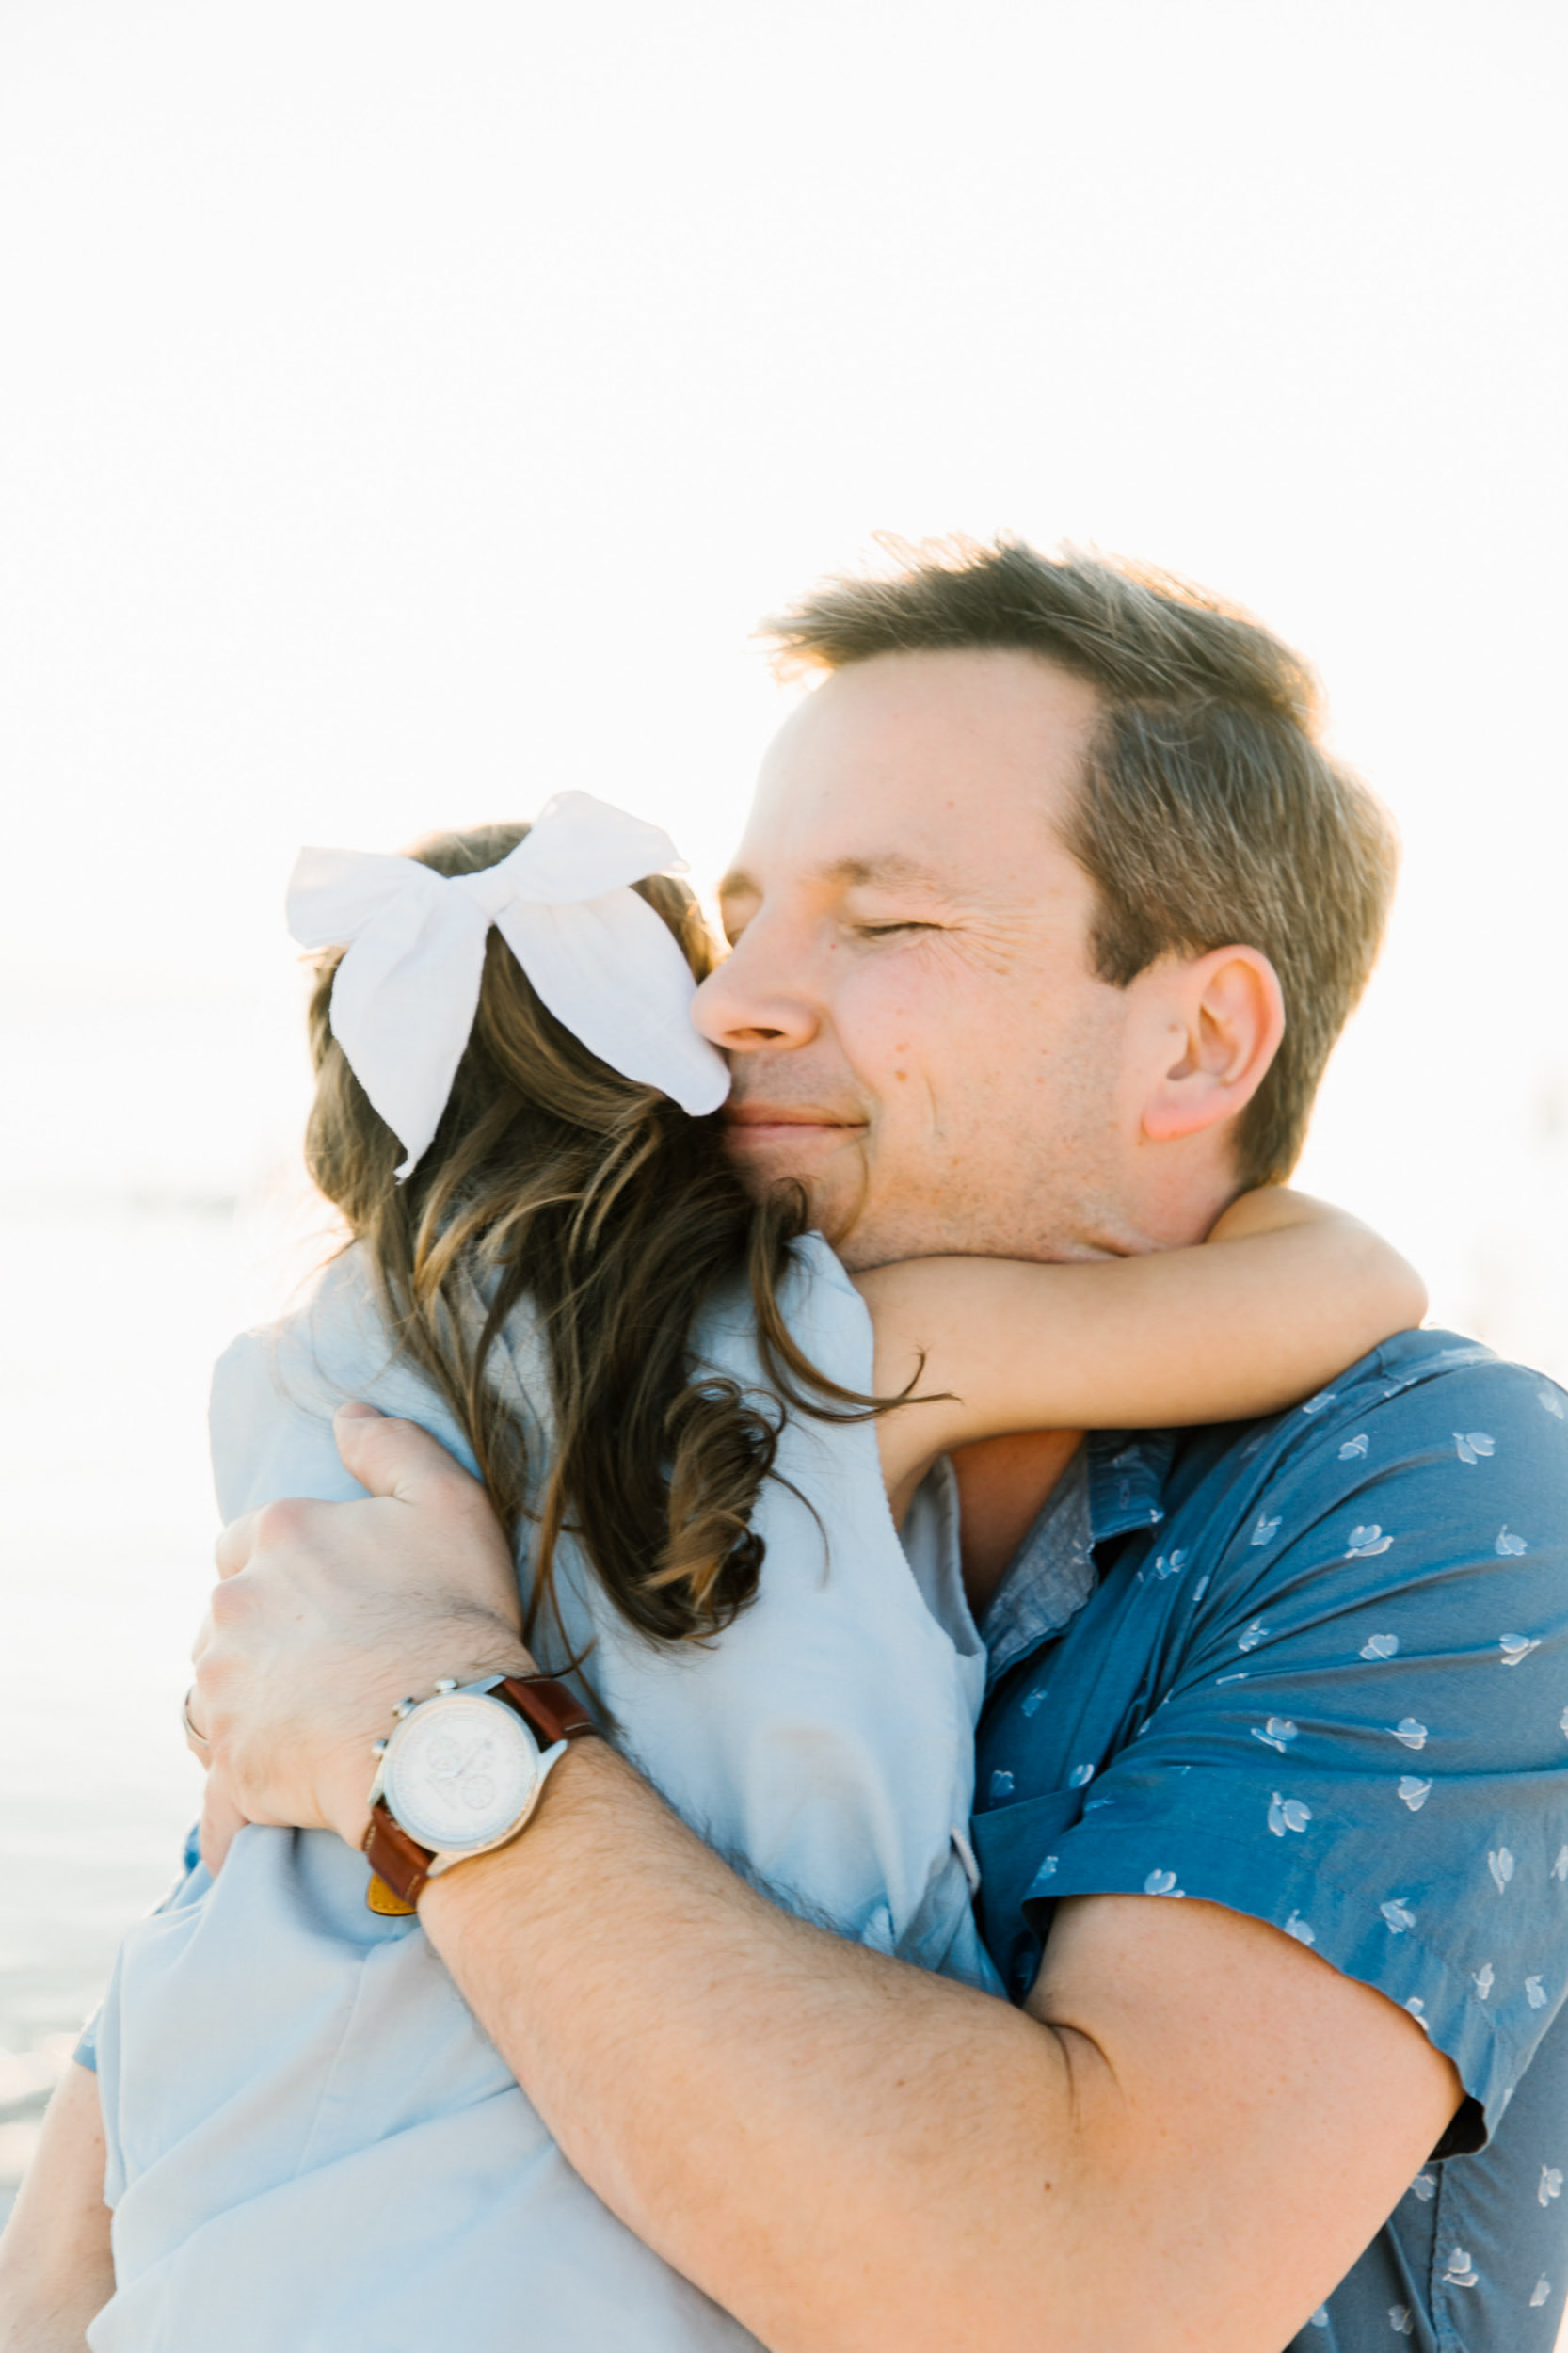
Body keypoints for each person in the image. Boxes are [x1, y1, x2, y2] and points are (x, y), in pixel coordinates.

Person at [8, 537, 1568, 2352]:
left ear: (1198, 1040)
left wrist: (432, 1723)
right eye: (737, 918)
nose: (730, 998)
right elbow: (128, 2127)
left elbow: (1079, 2297)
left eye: (881, 923)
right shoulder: (557, 1424)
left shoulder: (1426, 1487)